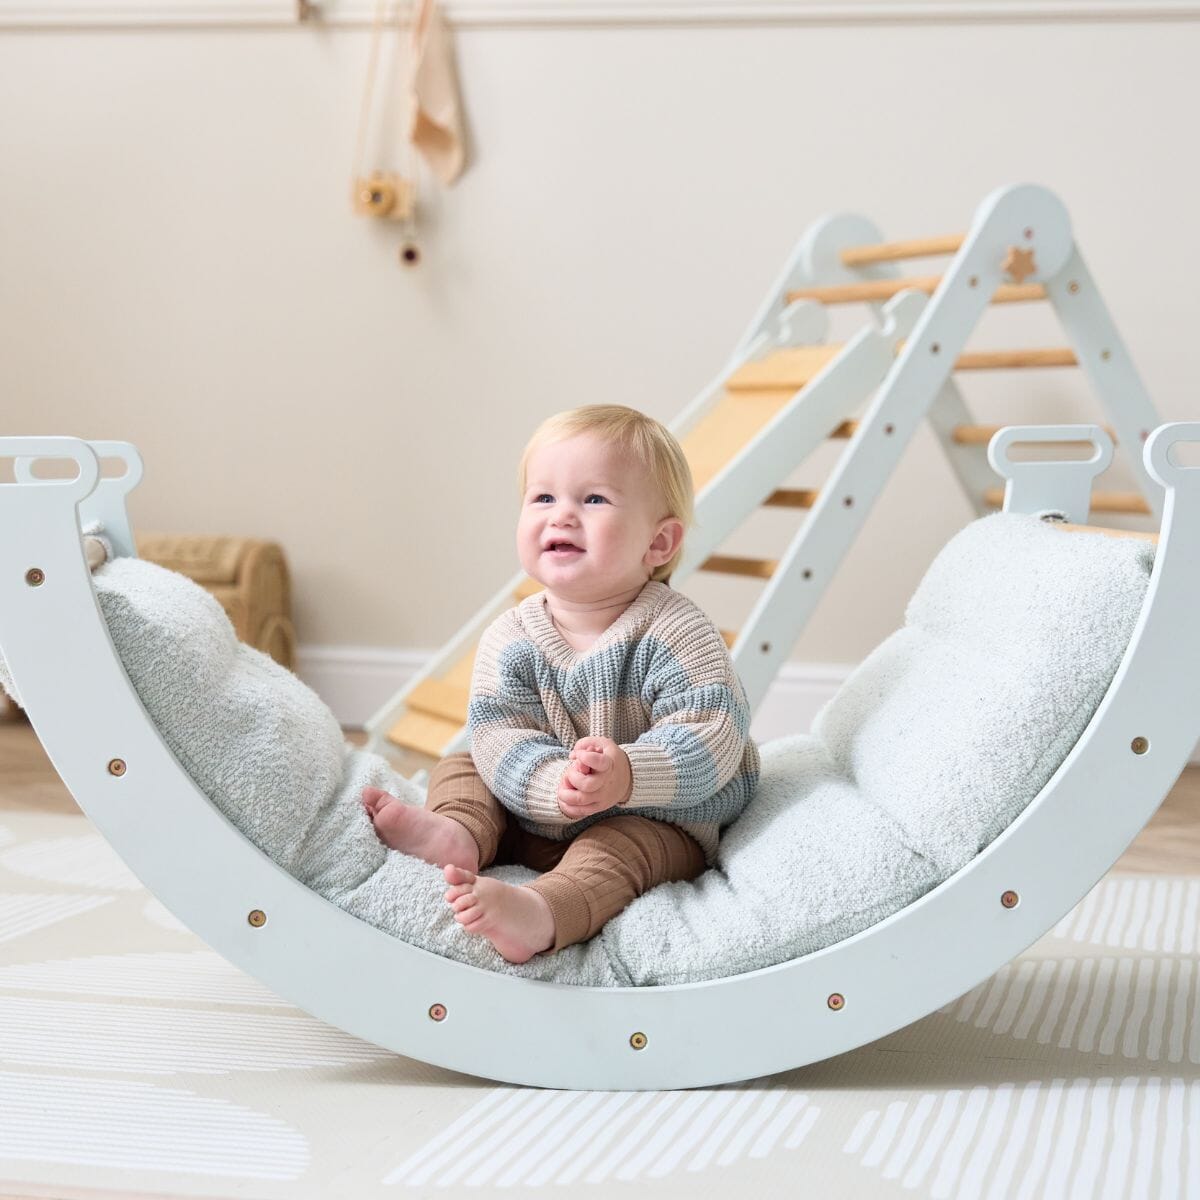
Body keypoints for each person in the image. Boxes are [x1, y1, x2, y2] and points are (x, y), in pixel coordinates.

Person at [362, 404, 760, 962]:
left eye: (593, 499)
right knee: (465, 762)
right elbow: (500, 733)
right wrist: (555, 789)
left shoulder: (676, 629)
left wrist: (625, 776)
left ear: (660, 543)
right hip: (536, 810)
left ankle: (544, 912)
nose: (561, 516)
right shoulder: (512, 634)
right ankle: (458, 835)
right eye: (543, 498)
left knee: (623, 850)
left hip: (650, 815)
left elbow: (712, 732)